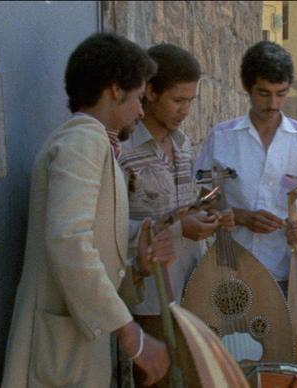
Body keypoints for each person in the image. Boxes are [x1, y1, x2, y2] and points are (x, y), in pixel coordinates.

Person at [1, 33, 175, 388]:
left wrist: (136, 269)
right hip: (59, 354)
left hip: (75, 348)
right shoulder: (83, 141)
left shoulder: (94, 142)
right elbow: (67, 240)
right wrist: (130, 333)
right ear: (115, 89)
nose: (142, 111)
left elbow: (90, 242)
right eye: (139, 98)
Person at [117, 43, 233, 387]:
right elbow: (110, 229)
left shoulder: (183, 145)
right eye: (178, 100)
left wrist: (211, 214)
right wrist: (181, 228)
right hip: (149, 297)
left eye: (191, 101)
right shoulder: (122, 150)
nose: (186, 110)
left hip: (193, 286)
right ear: (149, 92)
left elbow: (183, 207)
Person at [195, 41, 297, 296]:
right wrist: (242, 217)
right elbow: (205, 199)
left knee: (280, 335)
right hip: (230, 265)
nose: (273, 103)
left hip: (284, 268)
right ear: (247, 88)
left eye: (281, 93)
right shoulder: (222, 137)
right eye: (264, 93)